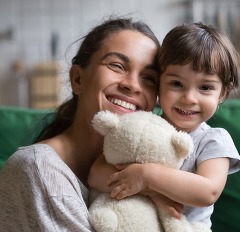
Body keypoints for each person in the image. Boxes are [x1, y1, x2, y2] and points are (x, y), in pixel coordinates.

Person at [0, 16, 160, 231]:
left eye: (149, 78)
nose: (133, 85)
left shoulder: (146, 172)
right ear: (78, 79)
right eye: (117, 65)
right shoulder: (38, 169)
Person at [88, 22, 240, 230]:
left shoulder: (213, 139)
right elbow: (96, 174)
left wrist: (147, 176)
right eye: (176, 84)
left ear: (222, 93)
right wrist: (149, 191)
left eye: (205, 87)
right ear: (159, 83)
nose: (189, 98)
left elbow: (208, 192)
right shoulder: (142, 126)